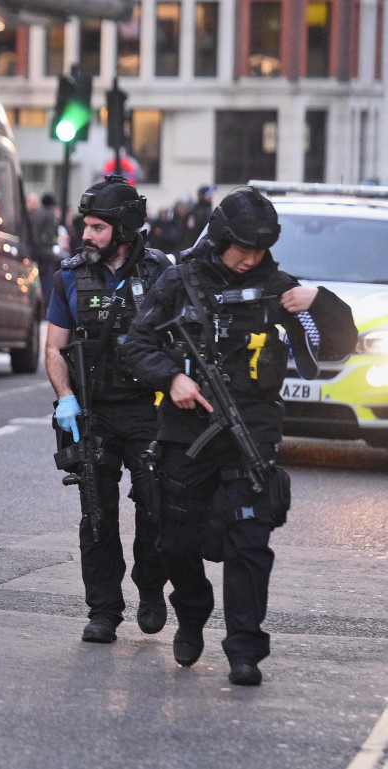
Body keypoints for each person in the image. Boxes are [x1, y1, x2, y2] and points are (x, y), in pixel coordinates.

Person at [123, 187, 357, 685]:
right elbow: (137, 345)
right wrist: (171, 378)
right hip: (186, 433)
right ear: (221, 238)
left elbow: (339, 342)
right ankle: (191, 611)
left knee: (251, 542)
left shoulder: (279, 287)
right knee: (174, 540)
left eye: (259, 250)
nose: (249, 259)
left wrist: (321, 301)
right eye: (241, 249)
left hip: (252, 433)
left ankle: (245, 651)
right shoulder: (178, 281)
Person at [45, 175, 171, 644]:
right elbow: (55, 348)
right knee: (96, 514)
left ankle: (151, 588)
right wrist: (66, 399)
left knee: (156, 507)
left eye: (97, 227)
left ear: (122, 229)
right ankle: (103, 610)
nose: (86, 235)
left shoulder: (161, 274)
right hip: (93, 410)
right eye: (86, 225)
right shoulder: (69, 276)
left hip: (148, 409)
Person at [29, 192, 64, 313]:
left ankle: (38, 309)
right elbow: (53, 236)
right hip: (48, 255)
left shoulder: (37, 215)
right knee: (46, 283)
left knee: (37, 282)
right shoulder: (51, 216)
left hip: (37, 254)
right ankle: (45, 310)